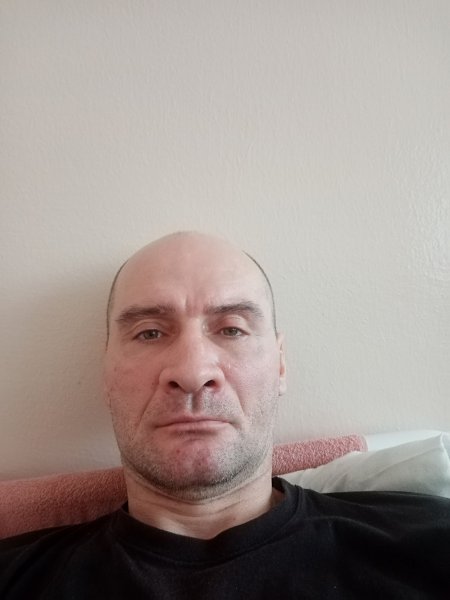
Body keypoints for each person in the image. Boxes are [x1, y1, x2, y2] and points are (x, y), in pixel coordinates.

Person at [1, 231, 449, 599]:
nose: (192, 373)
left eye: (232, 329)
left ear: (280, 366)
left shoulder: (430, 541)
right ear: (106, 373)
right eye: (149, 332)